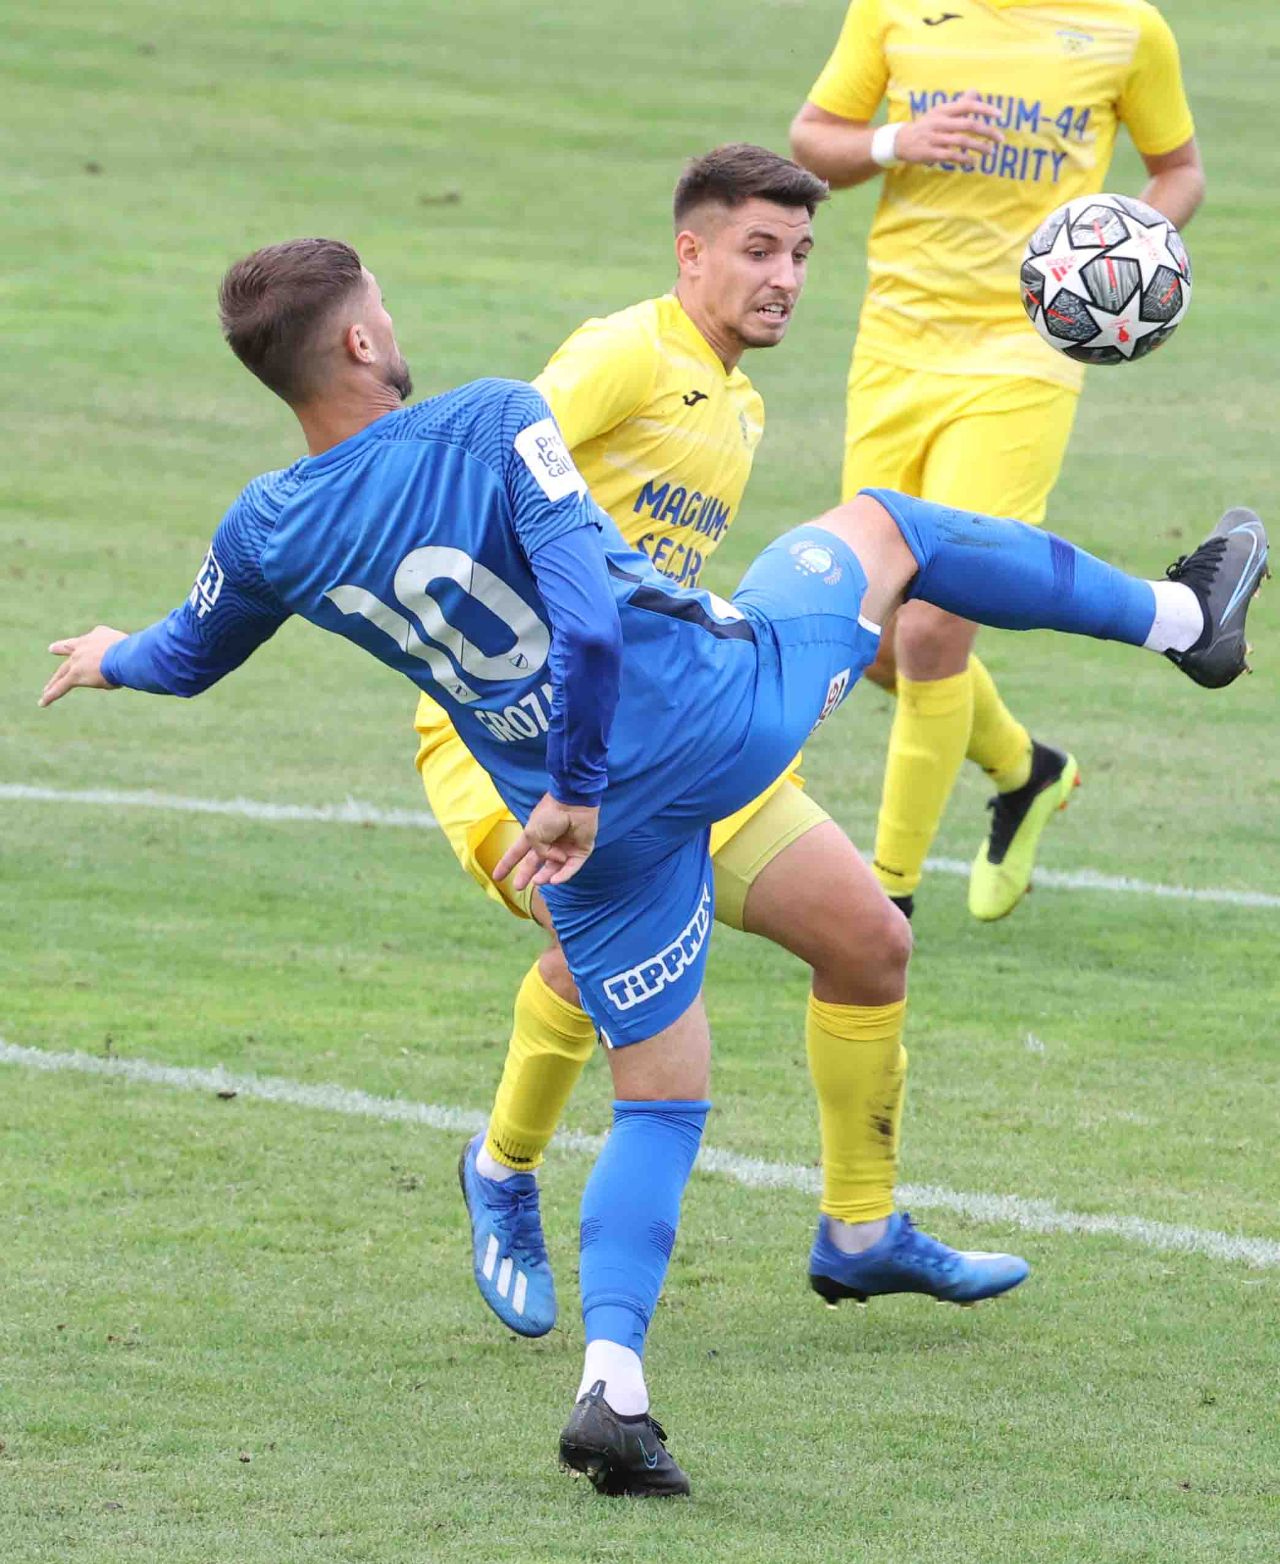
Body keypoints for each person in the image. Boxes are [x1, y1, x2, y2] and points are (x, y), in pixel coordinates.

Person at [39, 237, 1265, 1498]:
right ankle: (1186, 620)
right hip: (713, 717)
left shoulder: (267, 525)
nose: (393, 324)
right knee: (887, 527)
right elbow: (583, 620)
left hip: (582, 833)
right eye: (382, 308)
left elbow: (189, 655)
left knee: (660, 1102)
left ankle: (613, 1387)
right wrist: (578, 774)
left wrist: (111, 655)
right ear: (358, 340)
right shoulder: (488, 421)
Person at [418, 145, 1028, 1351]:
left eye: (800, 253)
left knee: (869, 942)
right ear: (688, 251)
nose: (785, 276)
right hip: (510, 742)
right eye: (758, 249)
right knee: (598, 953)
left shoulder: (737, 403)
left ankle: (858, 1226)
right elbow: (486, 469)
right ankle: (500, 1167)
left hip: (669, 731)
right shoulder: (622, 354)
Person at [790, 0, 1205, 921]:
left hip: (1026, 357)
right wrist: (896, 141)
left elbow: (1180, 171)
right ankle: (1027, 771)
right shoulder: (892, 10)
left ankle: (887, 898)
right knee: (872, 635)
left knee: (936, 628)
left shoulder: (1129, 30)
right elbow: (813, 140)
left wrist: (1117, 250)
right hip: (894, 346)